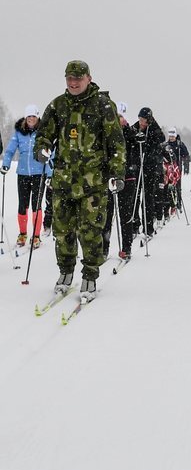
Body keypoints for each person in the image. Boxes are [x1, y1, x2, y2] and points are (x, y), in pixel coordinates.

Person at [34, 60, 125, 300]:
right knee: (62, 230)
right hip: (63, 180)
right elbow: (44, 134)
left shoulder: (103, 105)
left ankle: (90, 275)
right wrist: (41, 148)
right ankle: (65, 272)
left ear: (88, 78)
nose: (73, 83)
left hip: (93, 182)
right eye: (69, 79)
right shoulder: (57, 105)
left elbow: (116, 143)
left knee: (90, 231)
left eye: (78, 79)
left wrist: (117, 173)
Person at [2, 105, 54, 249]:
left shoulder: (43, 133)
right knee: (22, 205)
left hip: (39, 174)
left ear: (37, 118)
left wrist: (50, 174)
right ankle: (22, 233)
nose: (31, 119)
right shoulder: (19, 133)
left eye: (34, 116)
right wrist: (6, 164)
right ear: (26, 118)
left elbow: (51, 155)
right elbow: (10, 150)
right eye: (29, 116)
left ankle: (36, 236)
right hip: (23, 174)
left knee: (36, 206)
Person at [102, 110, 139, 259]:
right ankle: (104, 248)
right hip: (109, 178)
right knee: (106, 215)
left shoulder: (130, 134)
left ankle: (126, 247)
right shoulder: (106, 133)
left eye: (121, 118)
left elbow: (136, 145)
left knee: (125, 214)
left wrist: (130, 132)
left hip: (127, 178)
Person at [132, 108, 165, 237]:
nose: (141, 122)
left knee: (148, 198)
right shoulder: (135, 127)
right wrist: (136, 139)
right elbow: (129, 139)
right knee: (135, 196)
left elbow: (161, 139)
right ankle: (135, 224)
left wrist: (148, 142)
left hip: (149, 168)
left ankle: (148, 227)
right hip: (136, 167)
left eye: (143, 120)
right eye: (140, 119)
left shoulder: (154, 129)